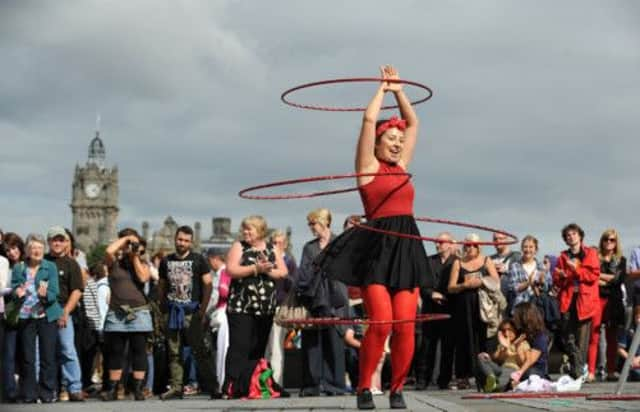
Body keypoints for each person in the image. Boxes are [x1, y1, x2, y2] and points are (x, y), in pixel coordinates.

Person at [316, 65, 433, 410]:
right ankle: (364, 387)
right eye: (391, 139)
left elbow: (414, 123)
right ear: (379, 143)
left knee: (406, 327)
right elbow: (368, 122)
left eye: (399, 141)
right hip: (376, 248)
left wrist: (399, 90)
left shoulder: (403, 165)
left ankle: (397, 388)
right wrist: (382, 90)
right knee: (380, 323)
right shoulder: (367, 168)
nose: (398, 143)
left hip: (407, 246)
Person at [223, 215, 288, 398]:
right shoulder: (239, 246)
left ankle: (253, 384)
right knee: (239, 346)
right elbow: (231, 270)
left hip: (265, 307)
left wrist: (268, 270)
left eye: (249, 229)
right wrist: (255, 269)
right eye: (244, 229)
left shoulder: (271, 248)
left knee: (257, 348)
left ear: (260, 231)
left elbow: (283, 272)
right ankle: (233, 385)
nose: (245, 232)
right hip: (241, 306)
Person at [158, 226, 212, 400]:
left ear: (191, 242)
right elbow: (161, 285)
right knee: (174, 351)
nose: (182, 243)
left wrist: (202, 310)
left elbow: (208, 285)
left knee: (199, 350)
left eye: (186, 240)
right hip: (172, 311)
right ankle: (176, 387)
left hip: (191, 311)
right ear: (175, 239)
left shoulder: (199, 260)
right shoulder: (166, 261)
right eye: (180, 239)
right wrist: (162, 307)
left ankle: (213, 386)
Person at [298, 208, 348, 397]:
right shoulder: (308, 247)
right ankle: (311, 385)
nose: (312, 228)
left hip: (335, 299)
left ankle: (334, 384)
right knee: (312, 344)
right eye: (310, 224)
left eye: (314, 224)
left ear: (325, 222)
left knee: (334, 343)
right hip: (314, 298)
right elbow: (303, 274)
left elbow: (346, 268)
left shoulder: (340, 243)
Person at [10, 234, 63, 403]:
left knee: (48, 357)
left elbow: (55, 293)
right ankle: (29, 393)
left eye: (40, 248)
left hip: (46, 315)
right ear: (27, 250)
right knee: (28, 357)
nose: (37, 251)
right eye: (33, 248)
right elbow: (15, 286)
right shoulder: (19, 267)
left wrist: (45, 294)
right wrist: (17, 292)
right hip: (26, 316)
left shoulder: (50, 267)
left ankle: (47, 393)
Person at [101, 228, 152, 401]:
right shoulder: (113, 261)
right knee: (116, 351)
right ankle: (113, 388)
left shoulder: (142, 262)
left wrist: (135, 255)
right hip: (117, 313)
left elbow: (143, 278)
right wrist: (126, 239)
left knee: (139, 350)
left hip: (138, 312)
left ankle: (138, 389)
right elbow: (108, 251)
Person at [448, 233, 500, 389]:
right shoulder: (458, 262)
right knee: (463, 339)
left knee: (482, 339)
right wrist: (464, 285)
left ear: (479, 247)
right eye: (467, 245)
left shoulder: (486, 260)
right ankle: (463, 376)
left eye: (474, 245)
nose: (470, 248)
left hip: (483, 305)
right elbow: (450, 287)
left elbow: (496, 281)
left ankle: (484, 375)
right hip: (463, 306)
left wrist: (481, 281)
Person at [553, 223, 599, 379]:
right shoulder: (562, 257)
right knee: (568, 338)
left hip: (585, 301)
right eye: (567, 235)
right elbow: (557, 282)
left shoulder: (590, 253)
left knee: (582, 340)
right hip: (567, 300)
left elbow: (593, 276)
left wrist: (575, 270)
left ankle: (577, 372)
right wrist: (561, 276)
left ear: (580, 236)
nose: (570, 237)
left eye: (573, 234)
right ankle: (578, 369)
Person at [44, 226, 84, 402]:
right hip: (41, 310)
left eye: (61, 240)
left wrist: (66, 312)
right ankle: (46, 388)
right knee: (44, 352)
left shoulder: (71, 263)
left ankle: (74, 387)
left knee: (67, 349)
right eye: (54, 240)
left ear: (66, 242)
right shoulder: (42, 261)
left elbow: (77, 291)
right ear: (49, 242)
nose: (57, 243)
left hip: (63, 309)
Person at [415, 232, 456, 390]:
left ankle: (443, 380)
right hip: (430, 310)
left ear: (450, 244)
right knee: (426, 346)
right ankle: (422, 380)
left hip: (450, 310)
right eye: (436, 242)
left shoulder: (456, 262)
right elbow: (422, 285)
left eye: (441, 242)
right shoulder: (428, 261)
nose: (438, 244)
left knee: (448, 347)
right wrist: (432, 294)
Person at [587, 229, 626, 382]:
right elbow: (590, 277)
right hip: (598, 299)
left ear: (616, 242)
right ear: (602, 241)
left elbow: (618, 280)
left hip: (614, 301)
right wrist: (608, 279)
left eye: (612, 240)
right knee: (594, 337)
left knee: (612, 338)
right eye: (606, 239)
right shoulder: (595, 258)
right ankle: (591, 371)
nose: (609, 242)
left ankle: (610, 371)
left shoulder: (621, 259)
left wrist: (600, 277)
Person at [265, 230, 298, 389]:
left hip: (280, 307)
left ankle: (277, 382)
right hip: (266, 307)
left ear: (285, 244)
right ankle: (263, 381)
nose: (276, 246)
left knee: (277, 347)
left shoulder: (289, 262)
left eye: (279, 243)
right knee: (266, 347)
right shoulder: (267, 260)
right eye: (274, 242)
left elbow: (293, 285)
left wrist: (282, 274)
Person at [205, 248, 231, 398]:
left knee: (221, 352)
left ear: (214, 259)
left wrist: (204, 313)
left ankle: (221, 385)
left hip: (221, 315)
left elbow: (216, 297)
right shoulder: (229, 271)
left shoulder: (222, 273)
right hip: (227, 315)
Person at [476, 319, 529, 392]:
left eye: (510, 330)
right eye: (504, 331)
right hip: (500, 369)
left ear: (515, 330)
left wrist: (516, 346)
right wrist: (504, 348)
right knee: (481, 358)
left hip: (512, 369)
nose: (507, 333)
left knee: (498, 387)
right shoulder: (503, 343)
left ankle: (493, 385)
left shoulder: (523, 343)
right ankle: (492, 378)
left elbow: (522, 362)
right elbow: (497, 359)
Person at [2, 232, 24, 402]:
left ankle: (28, 388)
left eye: (14, 248)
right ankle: (10, 392)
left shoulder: (29, 264)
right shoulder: (5, 267)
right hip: (10, 313)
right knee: (9, 354)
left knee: (28, 354)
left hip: (29, 314)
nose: (12, 252)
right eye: (8, 250)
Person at [510, 301, 550, 385]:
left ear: (524, 317)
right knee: (483, 362)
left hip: (534, 370)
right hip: (516, 367)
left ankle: (503, 382)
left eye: (515, 316)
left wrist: (517, 346)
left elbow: (530, 360)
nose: (513, 319)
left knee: (529, 373)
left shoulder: (540, 336)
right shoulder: (518, 333)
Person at [508, 236, 548, 313]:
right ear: (521, 249)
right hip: (521, 305)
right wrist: (528, 283)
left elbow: (546, 288)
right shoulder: (515, 266)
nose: (528, 250)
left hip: (538, 305)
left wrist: (542, 282)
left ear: (536, 250)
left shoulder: (541, 266)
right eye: (525, 247)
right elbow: (513, 288)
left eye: (531, 247)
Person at [490, 233, 521, 316]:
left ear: (506, 240)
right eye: (495, 239)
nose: (498, 241)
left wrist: (506, 270)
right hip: (495, 300)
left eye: (501, 238)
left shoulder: (517, 256)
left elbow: (522, 276)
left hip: (511, 299)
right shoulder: (490, 259)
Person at [617, 305, 640, 381]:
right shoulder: (628, 331)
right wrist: (631, 359)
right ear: (634, 317)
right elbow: (620, 349)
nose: (639, 320)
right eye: (638, 317)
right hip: (631, 363)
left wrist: (638, 359)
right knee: (636, 373)